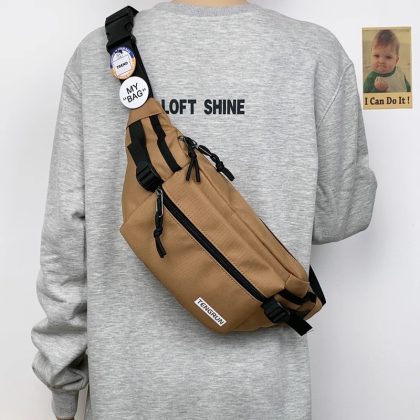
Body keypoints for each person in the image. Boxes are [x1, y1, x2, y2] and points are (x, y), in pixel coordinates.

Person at [30, 1, 378, 419]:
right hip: (265, 390)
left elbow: (66, 242)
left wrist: (62, 382)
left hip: (131, 389)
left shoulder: (100, 54)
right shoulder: (315, 52)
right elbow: (340, 216)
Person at [363, 29, 411, 93]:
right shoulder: (370, 79)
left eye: (388, 57)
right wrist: (378, 90)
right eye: (376, 56)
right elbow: (365, 97)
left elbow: (407, 88)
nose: (381, 61)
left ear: (396, 60)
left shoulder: (399, 73)